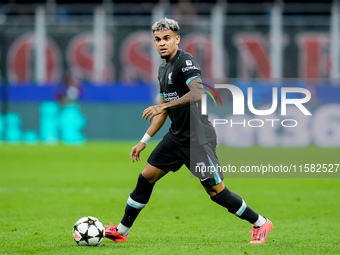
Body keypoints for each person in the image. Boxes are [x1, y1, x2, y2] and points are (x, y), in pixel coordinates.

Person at [105, 17, 273, 244]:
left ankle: (261, 223)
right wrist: (144, 140)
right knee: (146, 178)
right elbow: (162, 112)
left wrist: (162, 105)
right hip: (176, 137)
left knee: (217, 193)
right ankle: (121, 231)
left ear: (177, 39)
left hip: (198, 139)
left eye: (166, 38)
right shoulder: (163, 69)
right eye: (157, 39)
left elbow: (197, 93)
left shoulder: (186, 62)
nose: (162, 43)